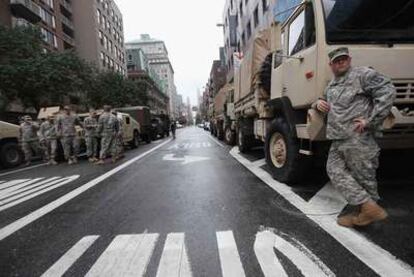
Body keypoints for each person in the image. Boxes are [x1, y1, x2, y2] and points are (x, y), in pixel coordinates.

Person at [312, 47, 396, 228]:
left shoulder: (363, 75)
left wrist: (371, 120)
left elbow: (387, 90)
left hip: (358, 138)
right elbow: (322, 99)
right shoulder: (332, 84)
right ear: (331, 64)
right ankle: (368, 209)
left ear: (349, 60)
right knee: (334, 170)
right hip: (337, 138)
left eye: (343, 59)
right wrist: (317, 102)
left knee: (364, 177)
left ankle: (365, 217)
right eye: (337, 60)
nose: (341, 62)